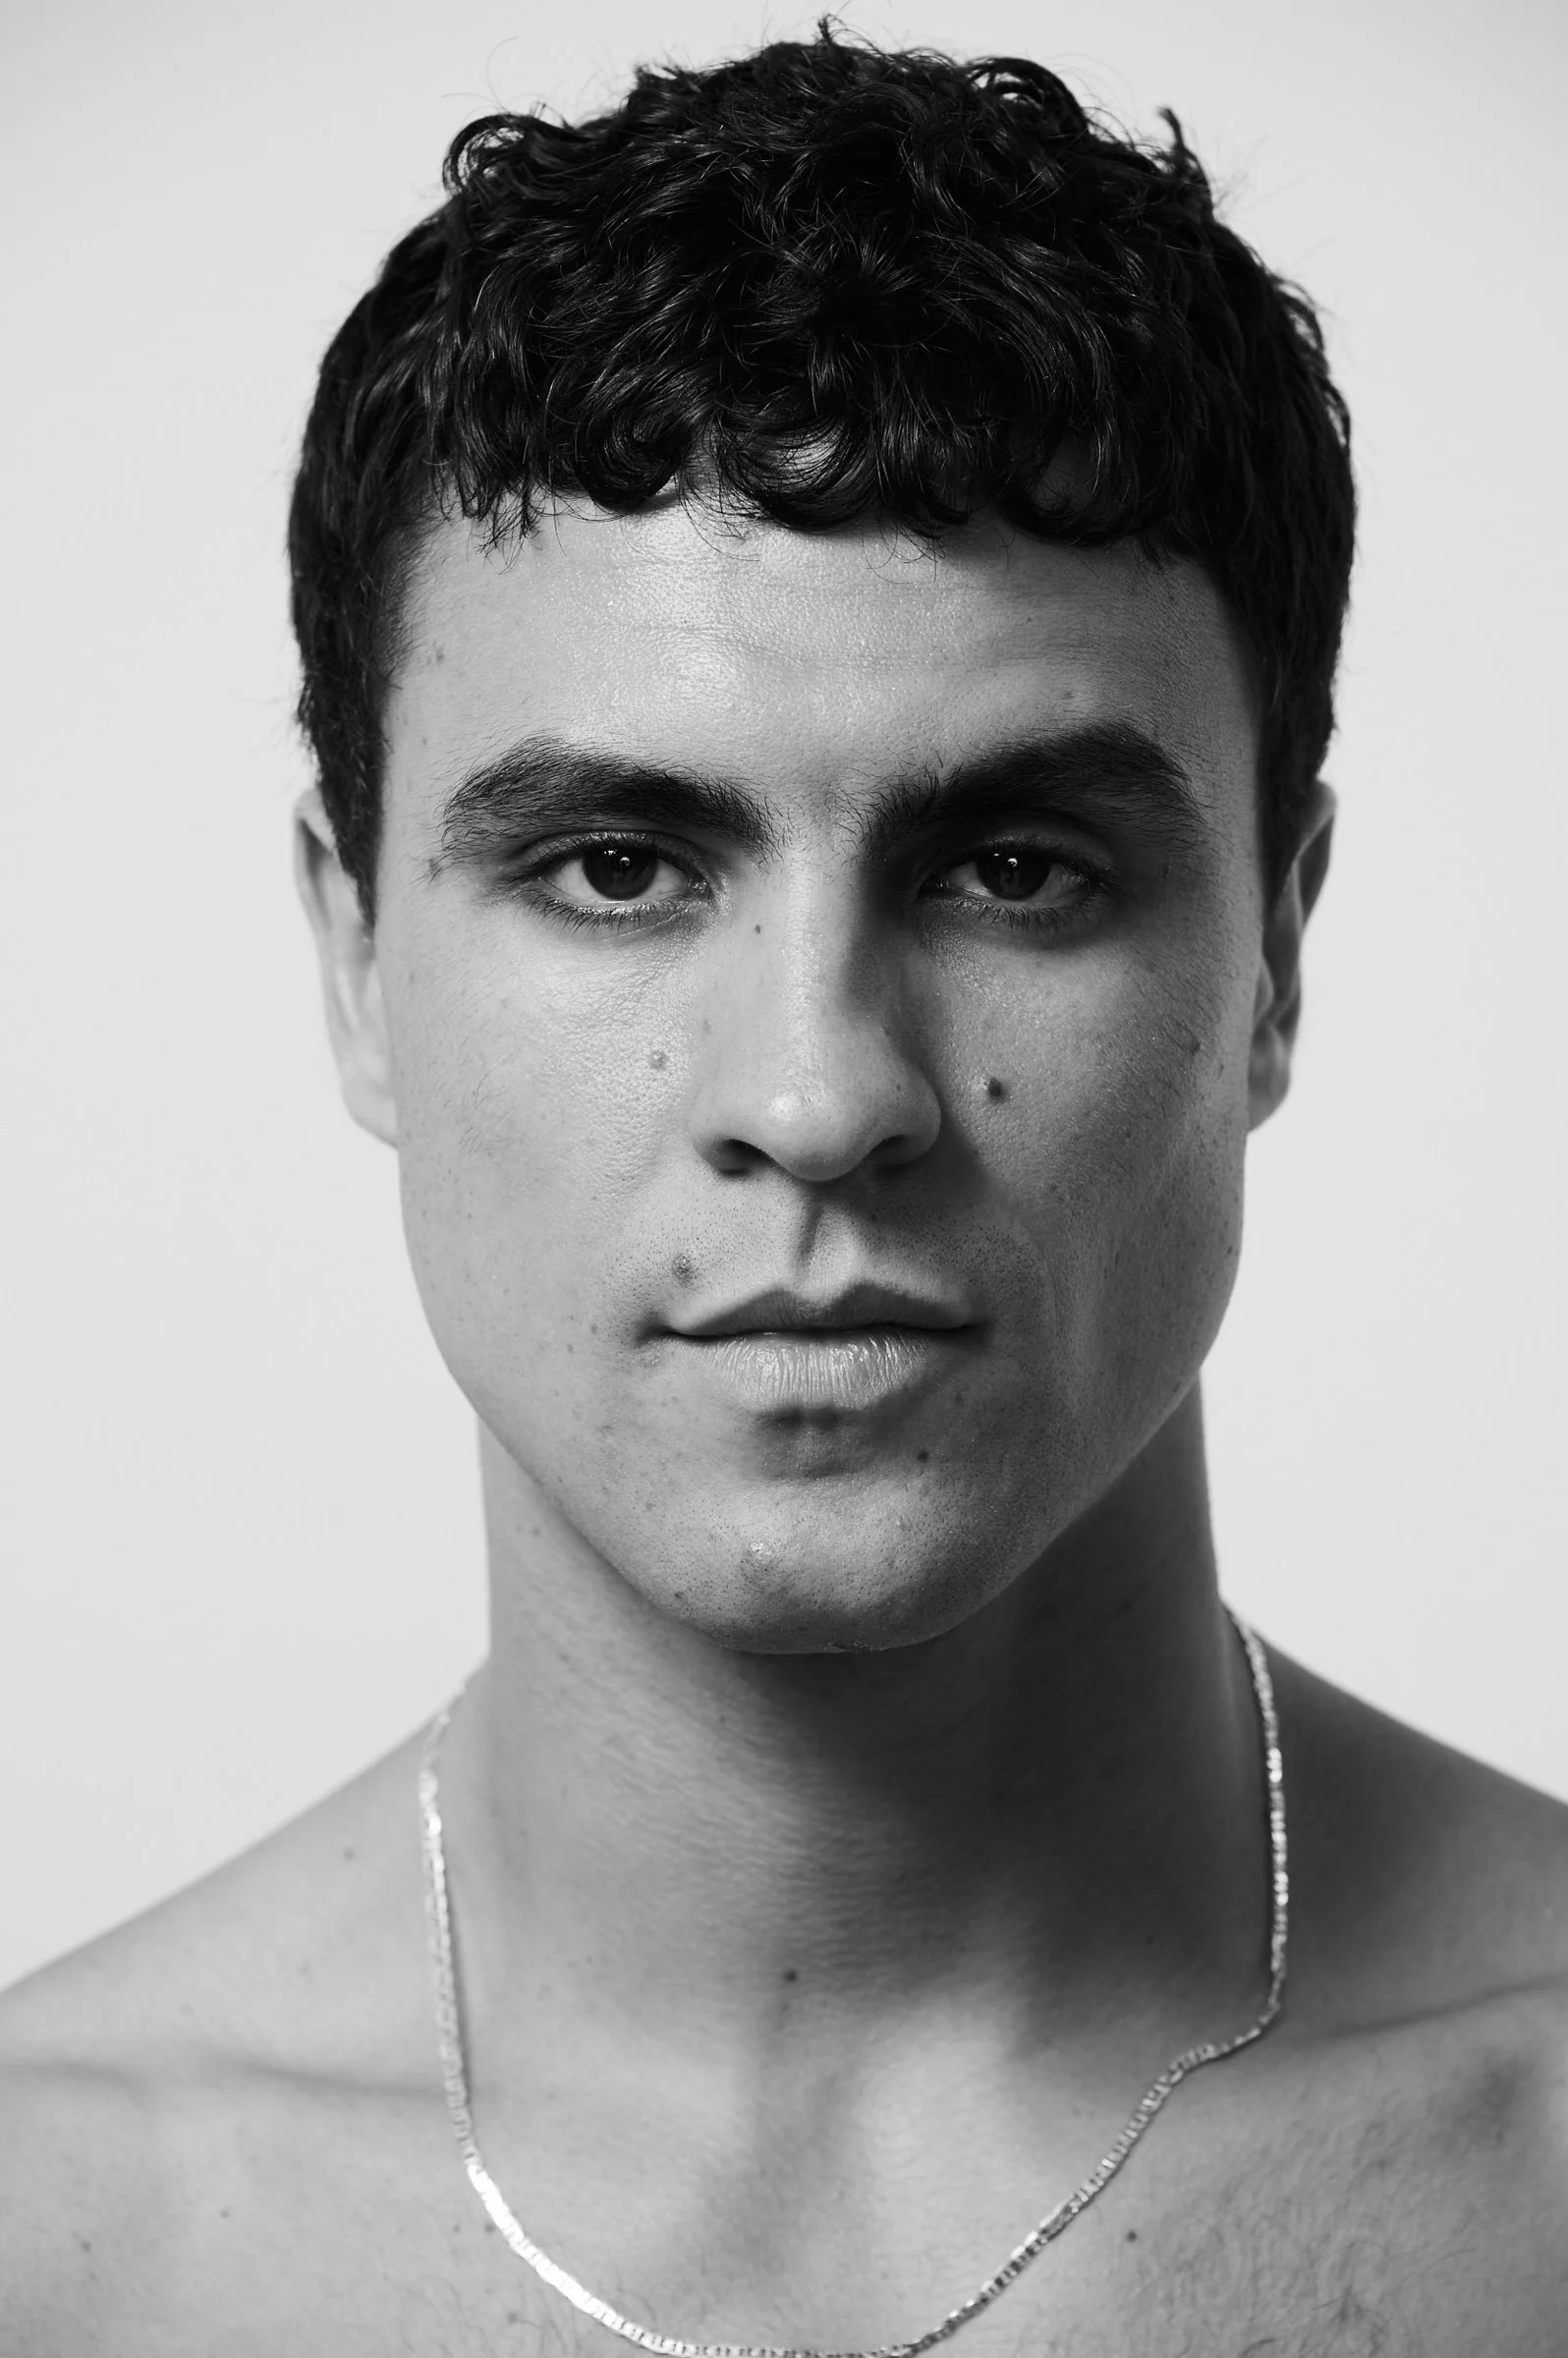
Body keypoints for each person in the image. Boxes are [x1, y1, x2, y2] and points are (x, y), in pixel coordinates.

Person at [3, 31, 1566, 2353]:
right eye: (620, 865)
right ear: (353, 957)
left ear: (1276, 951)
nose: (825, 1095)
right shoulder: (59, 2234)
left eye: (1018, 867)